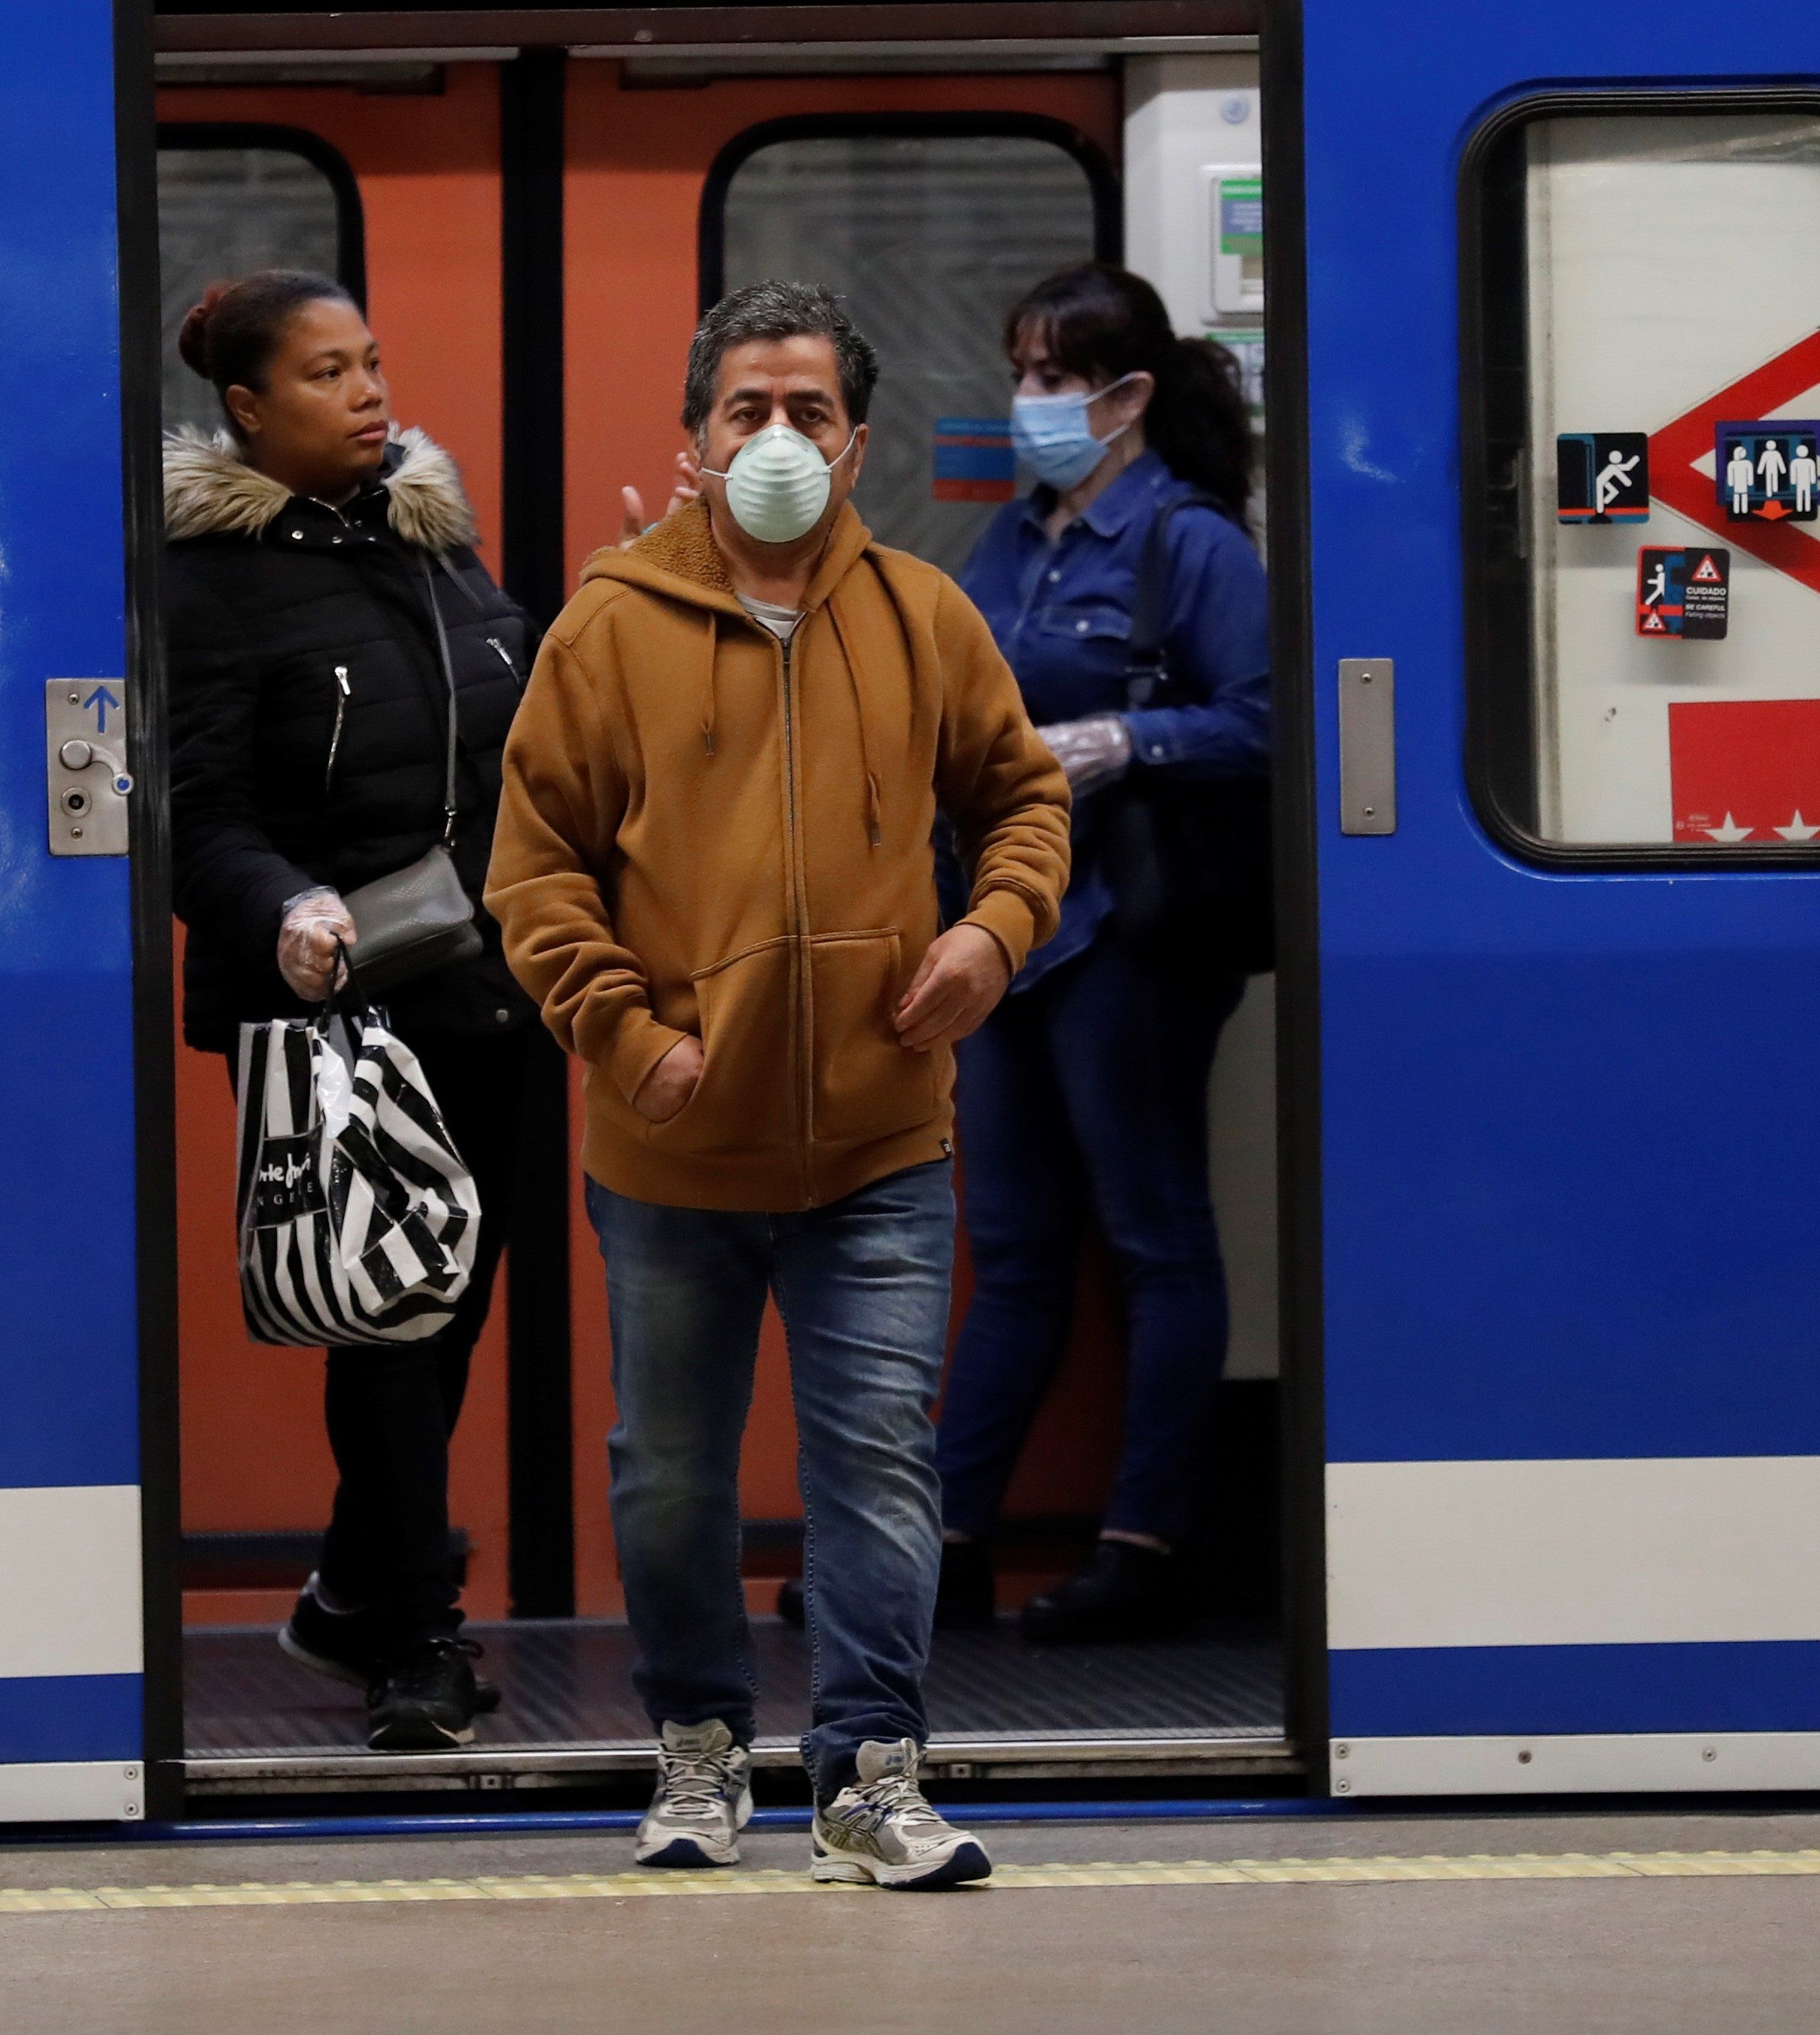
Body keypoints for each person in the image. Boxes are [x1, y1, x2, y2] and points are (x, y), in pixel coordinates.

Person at [487, 280, 1072, 1887]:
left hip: (882, 1140)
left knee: (878, 1457)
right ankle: (696, 1744)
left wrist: (990, 937)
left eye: (808, 410)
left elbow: (1023, 806)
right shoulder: (606, 628)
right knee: (669, 1468)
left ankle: (868, 1771)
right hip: (673, 1146)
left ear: (857, 441)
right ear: (690, 439)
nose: (775, 438)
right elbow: (532, 872)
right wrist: (623, 1031)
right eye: (744, 408)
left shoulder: (925, 620)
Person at [163, 270, 546, 1753]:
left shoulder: (432, 540)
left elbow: (515, 724)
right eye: (326, 373)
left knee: (448, 1319)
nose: (369, 390)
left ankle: (351, 1591)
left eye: (372, 360)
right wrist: (282, 904)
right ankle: (414, 1636)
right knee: (390, 1316)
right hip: (342, 994)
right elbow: (199, 812)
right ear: (248, 409)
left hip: (488, 980)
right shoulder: (205, 579)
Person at [928, 261, 1271, 1645]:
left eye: (1055, 380)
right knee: (1010, 1246)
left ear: (1127, 398)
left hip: (1127, 934)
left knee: (1153, 1237)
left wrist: (1131, 739)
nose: (1030, 403)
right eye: (1020, 374)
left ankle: (1146, 1541)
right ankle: (945, 1544)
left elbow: (1265, 719)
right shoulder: (1013, 545)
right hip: (1006, 931)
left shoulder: (1191, 545)